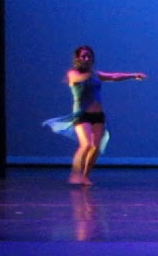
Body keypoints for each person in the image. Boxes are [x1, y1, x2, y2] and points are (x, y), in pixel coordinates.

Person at [42, 45, 147, 186]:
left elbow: (113, 76)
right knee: (86, 144)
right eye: (83, 56)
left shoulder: (95, 74)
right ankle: (75, 174)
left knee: (95, 147)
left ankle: (85, 176)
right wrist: (92, 74)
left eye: (89, 56)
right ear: (78, 58)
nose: (86, 58)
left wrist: (133, 75)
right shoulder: (73, 73)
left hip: (98, 116)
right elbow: (78, 79)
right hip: (82, 115)